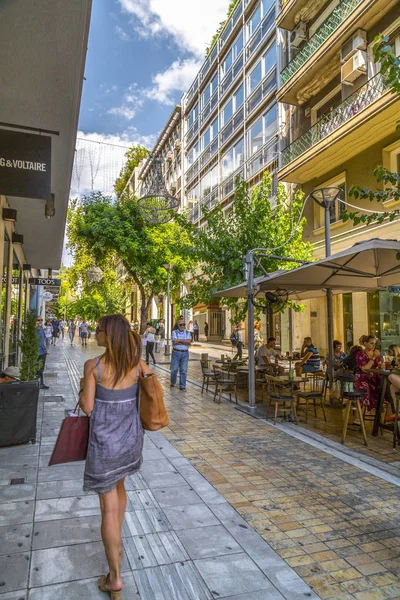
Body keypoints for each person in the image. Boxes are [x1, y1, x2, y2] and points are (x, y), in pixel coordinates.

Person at [79, 314, 149, 598]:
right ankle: (117, 544)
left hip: (105, 446)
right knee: (120, 488)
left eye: (99, 330)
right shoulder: (138, 365)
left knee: (107, 507)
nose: (96, 334)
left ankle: (115, 579)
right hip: (131, 442)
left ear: (110, 335)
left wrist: (85, 387)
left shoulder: (93, 367)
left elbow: (87, 407)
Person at [354, 335, 383, 411]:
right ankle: (359, 417)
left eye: (374, 343)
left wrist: (381, 365)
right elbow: (365, 369)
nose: (374, 345)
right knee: (365, 389)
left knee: (386, 389)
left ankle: (388, 415)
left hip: (374, 378)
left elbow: (379, 365)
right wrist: (373, 357)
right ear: (365, 343)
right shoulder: (360, 354)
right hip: (362, 379)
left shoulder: (376, 354)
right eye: (371, 343)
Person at [170, 319, 192, 391]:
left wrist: (179, 340)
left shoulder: (188, 333)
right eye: (181, 325)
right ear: (178, 325)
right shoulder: (174, 332)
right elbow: (175, 341)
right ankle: (173, 382)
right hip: (176, 352)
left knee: (183, 370)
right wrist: (185, 342)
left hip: (185, 353)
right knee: (174, 369)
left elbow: (189, 342)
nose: (182, 326)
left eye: (183, 325)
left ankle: (182, 386)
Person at [36, 316, 49, 390]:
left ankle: (41, 383)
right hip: (36, 352)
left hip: (42, 351)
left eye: (41, 320)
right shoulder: (34, 329)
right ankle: (38, 383)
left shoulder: (41, 329)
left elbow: (44, 339)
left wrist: (46, 349)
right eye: (38, 320)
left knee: (41, 369)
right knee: (37, 368)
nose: (40, 321)